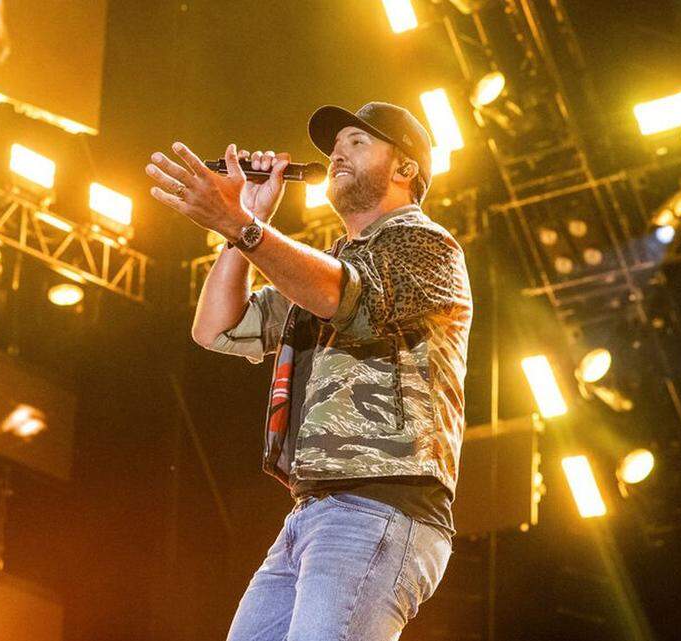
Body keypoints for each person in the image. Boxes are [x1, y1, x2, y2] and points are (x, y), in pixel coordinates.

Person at [145, 102, 472, 640]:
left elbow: (345, 296)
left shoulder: (426, 244)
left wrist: (241, 223)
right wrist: (245, 226)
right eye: (335, 144)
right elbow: (216, 328)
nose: (338, 152)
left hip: (381, 507)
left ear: (405, 169)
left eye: (358, 142)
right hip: (312, 513)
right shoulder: (321, 267)